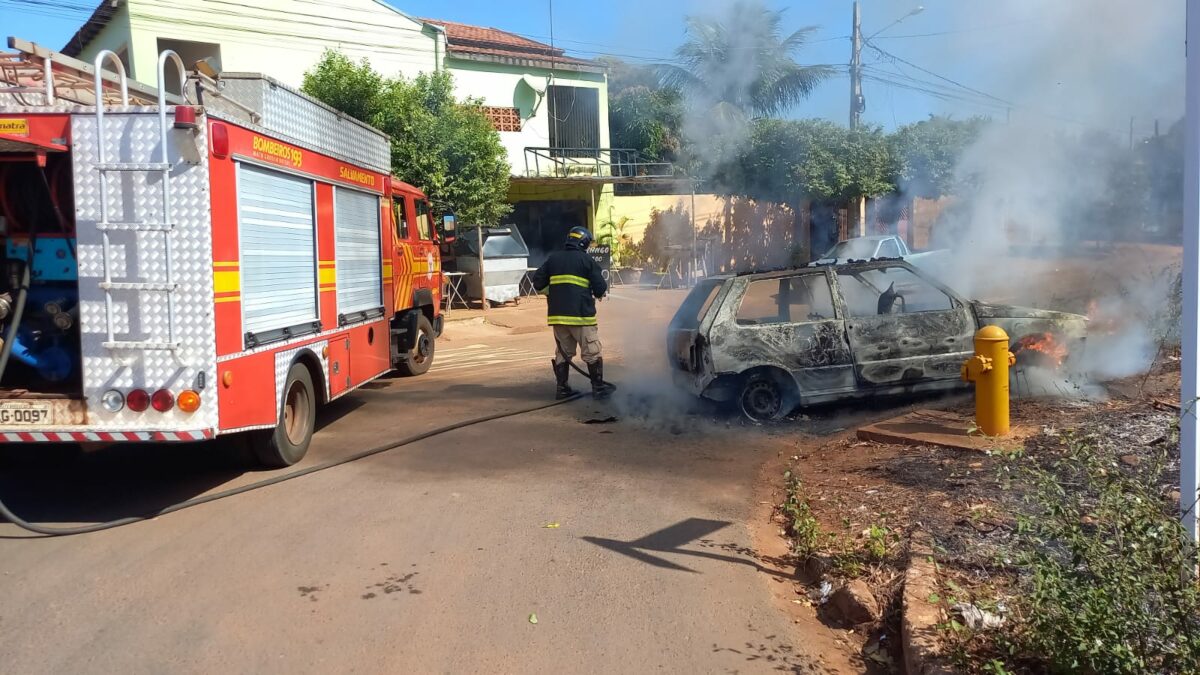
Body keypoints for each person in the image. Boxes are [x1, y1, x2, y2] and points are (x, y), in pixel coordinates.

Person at [530, 226, 615, 400]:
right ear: (583, 243)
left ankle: (562, 389)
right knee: (592, 351)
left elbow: (538, 282)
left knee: (563, 352)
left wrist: (551, 292)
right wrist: (598, 293)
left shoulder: (553, 259)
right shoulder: (586, 261)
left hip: (558, 317)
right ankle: (598, 389)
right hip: (581, 316)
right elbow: (600, 287)